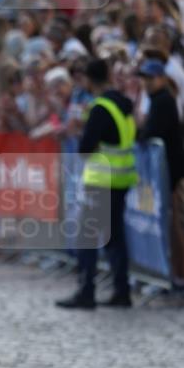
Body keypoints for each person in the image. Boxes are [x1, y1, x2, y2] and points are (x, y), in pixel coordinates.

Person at [56, 58, 137, 310]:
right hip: (122, 178)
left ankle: (86, 291)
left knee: (86, 236)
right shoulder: (124, 104)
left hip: (101, 179)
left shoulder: (100, 108)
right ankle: (121, 291)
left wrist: (82, 130)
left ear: (89, 81)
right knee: (116, 238)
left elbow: (85, 148)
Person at [136, 59, 184, 289]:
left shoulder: (164, 100)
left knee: (172, 223)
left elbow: (151, 131)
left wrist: (141, 131)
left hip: (171, 174)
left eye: (150, 78)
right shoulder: (158, 99)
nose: (146, 83)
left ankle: (175, 273)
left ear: (162, 78)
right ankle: (168, 272)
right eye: (144, 78)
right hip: (165, 173)